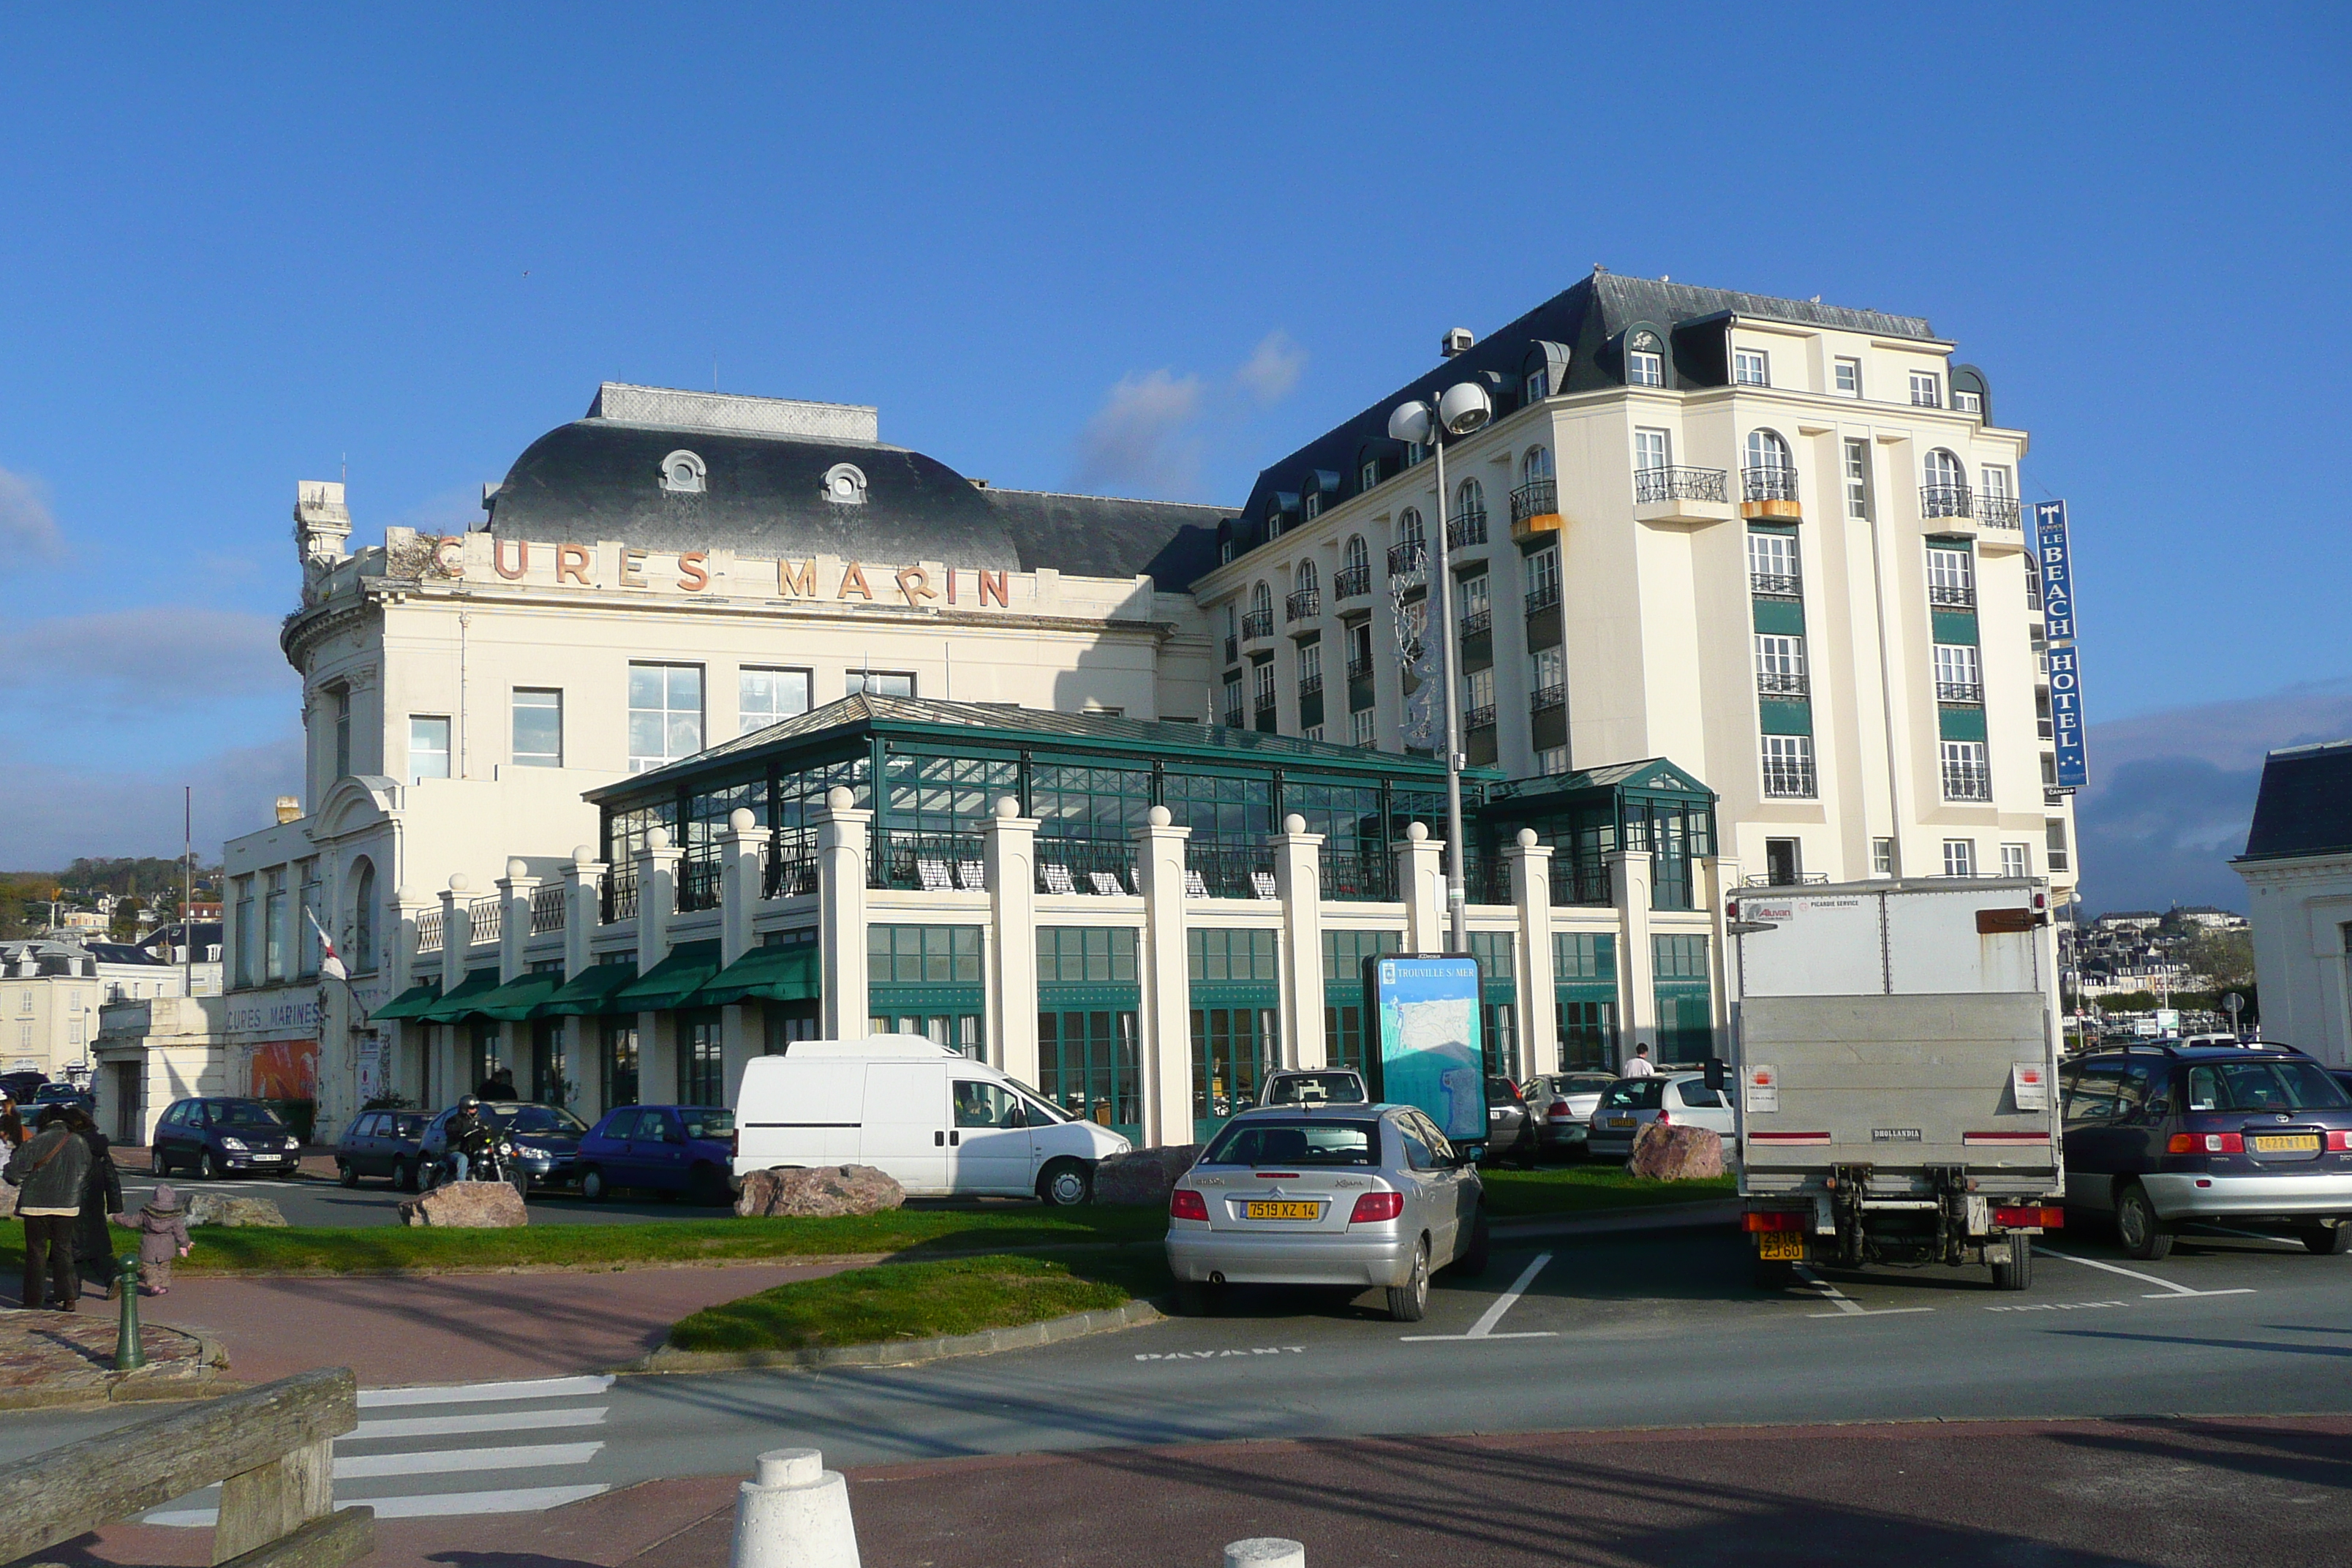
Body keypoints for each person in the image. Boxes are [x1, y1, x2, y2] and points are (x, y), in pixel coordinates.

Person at [6, 1106, 94, 1311]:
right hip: (67, 1205)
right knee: (64, 1250)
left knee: (36, 1252)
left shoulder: (36, 1142)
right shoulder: (79, 1142)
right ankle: (69, 1297)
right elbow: (85, 1172)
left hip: (35, 1205)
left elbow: (14, 1175)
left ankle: (33, 1299)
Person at [66, 1107, 123, 1299]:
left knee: (71, 1247)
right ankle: (111, 1277)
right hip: (94, 1201)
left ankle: (70, 1291)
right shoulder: (98, 1145)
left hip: (71, 1199)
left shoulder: (70, 1143)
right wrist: (115, 1205)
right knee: (93, 1247)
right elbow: (110, 1175)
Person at [119, 1183, 191, 1295]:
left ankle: (154, 1285)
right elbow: (180, 1232)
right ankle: (163, 1285)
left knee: (149, 1266)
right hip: (167, 1245)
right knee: (164, 1266)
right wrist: (185, 1244)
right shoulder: (174, 1216)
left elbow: (131, 1222)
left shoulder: (146, 1213)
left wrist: (118, 1217)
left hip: (149, 1243)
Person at [445, 1096, 494, 1183]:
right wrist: (461, 1132)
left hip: (472, 1151)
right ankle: (462, 1183)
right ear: (465, 1108)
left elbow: (483, 1136)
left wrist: (490, 1141)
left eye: (476, 1107)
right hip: (456, 1150)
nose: (475, 1110)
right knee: (463, 1158)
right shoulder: (455, 1120)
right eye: (472, 1108)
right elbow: (451, 1131)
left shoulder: (479, 1121)